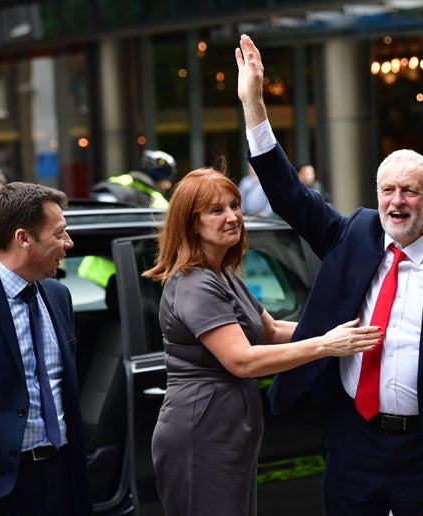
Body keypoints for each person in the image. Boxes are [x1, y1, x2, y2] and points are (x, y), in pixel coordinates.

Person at [236, 34, 423, 515]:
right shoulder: (354, 235)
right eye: (388, 189)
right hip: (353, 441)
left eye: (409, 191)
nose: (396, 201)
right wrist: (254, 104)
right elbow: (289, 197)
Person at [142, 164, 381, 516]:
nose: (232, 217)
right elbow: (242, 360)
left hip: (228, 429)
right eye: (216, 210)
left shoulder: (221, 273)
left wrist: (352, 330)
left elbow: (270, 331)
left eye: (235, 206)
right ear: (192, 223)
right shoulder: (196, 283)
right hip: (201, 434)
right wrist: (327, 345)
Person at [0, 182, 92, 514]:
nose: (69, 243)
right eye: (59, 233)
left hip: (60, 475)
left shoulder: (57, 295)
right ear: (23, 238)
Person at [91, 149, 176, 208]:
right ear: (159, 177)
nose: (168, 185)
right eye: (167, 179)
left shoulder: (122, 180)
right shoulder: (158, 202)